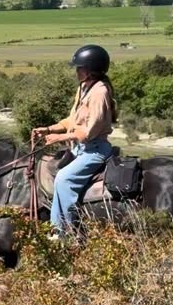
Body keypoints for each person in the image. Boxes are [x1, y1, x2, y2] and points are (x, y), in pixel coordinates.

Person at [31, 44, 117, 238]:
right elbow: (73, 120)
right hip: (79, 148)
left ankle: (67, 233)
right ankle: (55, 228)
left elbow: (88, 132)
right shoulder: (84, 88)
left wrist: (59, 138)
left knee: (64, 179)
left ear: (91, 69)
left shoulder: (99, 93)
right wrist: (50, 129)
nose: (76, 71)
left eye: (80, 67)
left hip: (94, 150)